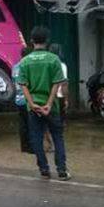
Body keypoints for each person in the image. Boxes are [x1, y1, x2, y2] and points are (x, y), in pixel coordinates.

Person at [18, 27, 71, 181]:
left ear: (32, 41)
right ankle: (61, 170)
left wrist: (32, 103)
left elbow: (23, 85)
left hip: (33, 107)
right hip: (51, 107)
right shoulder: (53, 59)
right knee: (58, 137)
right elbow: (57, 83)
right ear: (47, 41)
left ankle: (44, 170)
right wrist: (48, 103)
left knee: (36, 138)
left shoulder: (25, 61)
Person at [13, 47, 33, 154]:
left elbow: (13, 82)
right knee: (30, 123)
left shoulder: (15, 67)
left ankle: (24, 146)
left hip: (18, 99)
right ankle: (31, 147)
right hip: (27, 99)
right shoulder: (28, 66)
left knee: (22, 123)